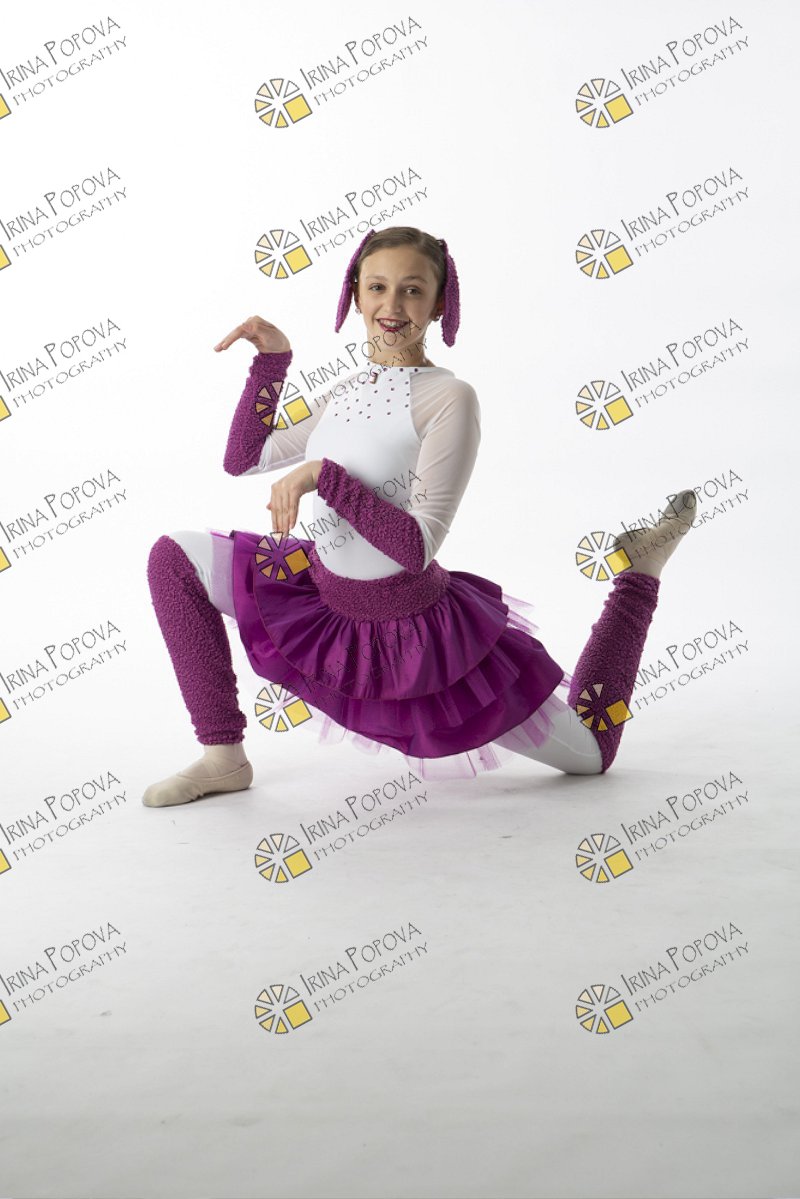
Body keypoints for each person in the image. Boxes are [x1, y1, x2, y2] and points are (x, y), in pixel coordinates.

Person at [143, 225, 696, 807]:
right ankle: (223, 757)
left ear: (438, 305)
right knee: (173, 558)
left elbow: (416, 546)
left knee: (590, 754)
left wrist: (323, 476)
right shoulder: (346, 391)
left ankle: (640, 575)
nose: (392, 304)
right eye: (377, 286)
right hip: (320, 597)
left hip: (414, 637)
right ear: (355, 296)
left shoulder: (450, 399)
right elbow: (244, 458)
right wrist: (273, 363)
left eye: (412, 290)